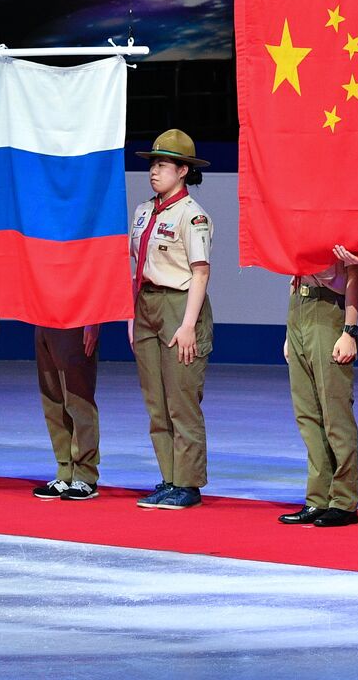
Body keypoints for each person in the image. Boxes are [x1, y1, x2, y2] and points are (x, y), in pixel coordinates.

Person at [130, 129, 214, 511]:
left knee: (181, 399)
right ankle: (169, 478)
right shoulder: (143, 211)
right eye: (152, 164)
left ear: (182, 171)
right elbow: (135, 265)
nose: (154, 171)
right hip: (146, 305)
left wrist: (188, 325)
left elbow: (200, 272)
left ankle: (188, 484)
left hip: (179, 306)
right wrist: (131, 313)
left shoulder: (192, 216)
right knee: (156, 401)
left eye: (163, 165)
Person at [280, 244, 358, 529]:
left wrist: (349, 330)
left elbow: (356, 271)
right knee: (307, 412)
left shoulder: (342, 220)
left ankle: (343, 501)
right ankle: (317, 498)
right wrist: (289, 331)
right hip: (300, 306)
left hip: (329, 307)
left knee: (335, 411)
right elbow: (295, 272)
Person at [31, 325, 101, 501]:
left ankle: (85, 474)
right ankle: (65, 471)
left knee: (78, 400)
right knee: (53, 400)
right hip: (44, 320)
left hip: (75, 321)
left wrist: (93, 323)